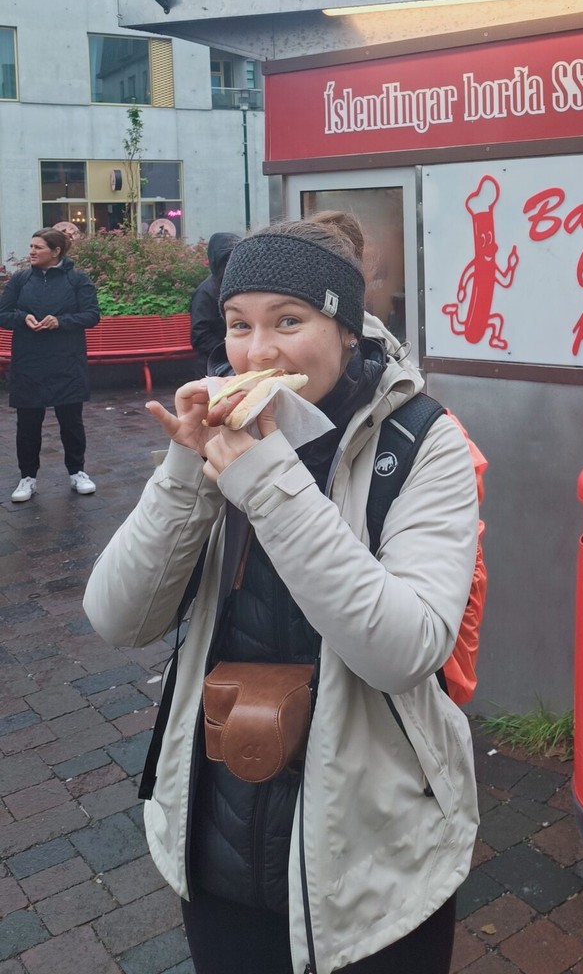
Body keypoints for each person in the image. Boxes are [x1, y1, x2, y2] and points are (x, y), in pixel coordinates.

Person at [83, 211, 480, 974]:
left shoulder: (421, 443)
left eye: (287, 321)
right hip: (222, 826)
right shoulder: (224, 437)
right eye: (238, 325)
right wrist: (184, 476)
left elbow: (405, 649)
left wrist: (264, 479)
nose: (257, 350)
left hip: (377, 849)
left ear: (344, 329)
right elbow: (117, 617)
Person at [0, 228, 101, 503]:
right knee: (28, 423)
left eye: (38, 247)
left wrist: (61, 321)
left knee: (71, 421)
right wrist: (23, 319)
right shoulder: (20, 280)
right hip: (29, 361)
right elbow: (3, 313)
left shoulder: (77, 279)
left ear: (56, 251)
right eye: (31, 246)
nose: (31, 252)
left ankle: (77, 472)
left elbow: (92, 315)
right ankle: (27, 477)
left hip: (67, 361)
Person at [189, 231, 239, 376]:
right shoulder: (205, 292)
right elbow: (200, 335)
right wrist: (228, 348)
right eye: (227, 260)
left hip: (234, 362)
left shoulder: (236, 287)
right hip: (213, 366)